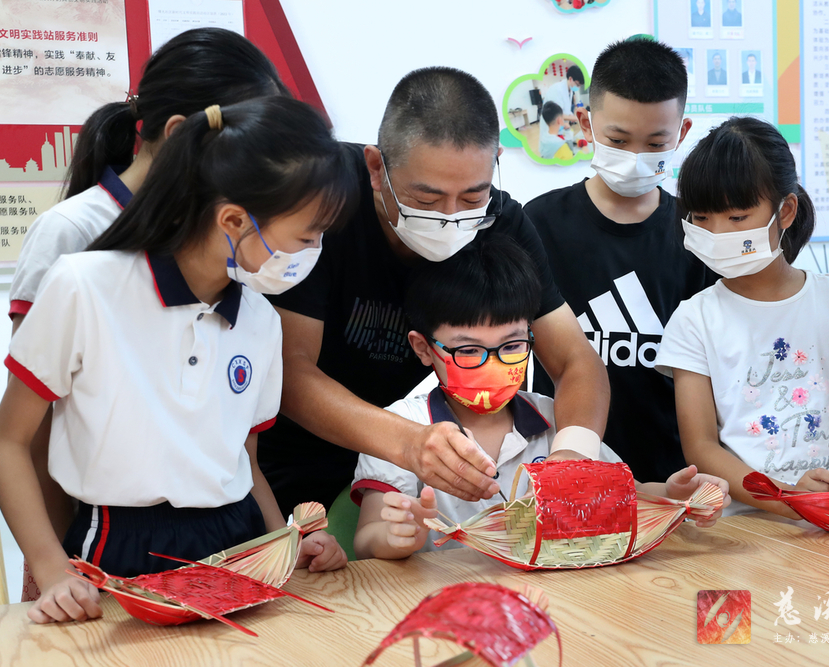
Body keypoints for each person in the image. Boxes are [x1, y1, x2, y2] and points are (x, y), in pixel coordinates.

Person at [0, 97, 355, 624]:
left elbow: (244, 461)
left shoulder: (261, 319)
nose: (315, 252)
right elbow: (7, 441)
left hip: (240, 545)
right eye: (307, 236)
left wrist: (285, 542)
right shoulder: (83, 286)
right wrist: (51, 570)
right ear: (234, 219)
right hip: (116, 548)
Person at [5, 27, 290, 601]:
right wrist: (58, 561)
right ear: (181, 135)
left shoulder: (227, 240)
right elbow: (33, 429)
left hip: (208, 536)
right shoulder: (73, 234)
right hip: (93, 538)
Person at [259, 67, 610, 520]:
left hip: (408, 461)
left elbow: (576, 359)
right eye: (426, 200)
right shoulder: (327, 198)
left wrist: (572, 456)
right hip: (294, 459)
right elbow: (289, 370)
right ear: (376, 168)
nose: (450, 217)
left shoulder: (502, 222)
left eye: (472, 198)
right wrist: (407, 443)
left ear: (494, 162)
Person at [351, 236, 729, 559]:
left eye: (512, 346)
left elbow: (629, 495)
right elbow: (366, 539)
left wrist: (674, 495)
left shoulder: (557, 421)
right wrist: (398, 535)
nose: (493, 365)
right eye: (468, 351)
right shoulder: (400, 429)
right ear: (423, 348)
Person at [655, 117, 829, 517]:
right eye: (701, 218)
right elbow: (701, 447)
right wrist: (790, 498)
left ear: (785, 211)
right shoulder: (694, 319)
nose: (717, 233)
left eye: (736, 218)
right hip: (745, 529)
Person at [525, 39, 711, 485]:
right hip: (561, 471)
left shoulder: (698, 232)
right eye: (618, 141)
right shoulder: (537, 224)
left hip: (671, 479)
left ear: (682, 132)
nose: (634, 159)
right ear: (586, 122)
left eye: (656, 143)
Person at [539, 65, 584, 149]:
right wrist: (577, 118)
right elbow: (555, 114)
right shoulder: (557, 89)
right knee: (553, 149)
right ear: (570, 79)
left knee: (563, 146)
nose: (578, 87)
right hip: (551, 125)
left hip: (560, 126)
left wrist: (572, 116)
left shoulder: (569, 90)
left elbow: (565, 109)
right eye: (577, 84)